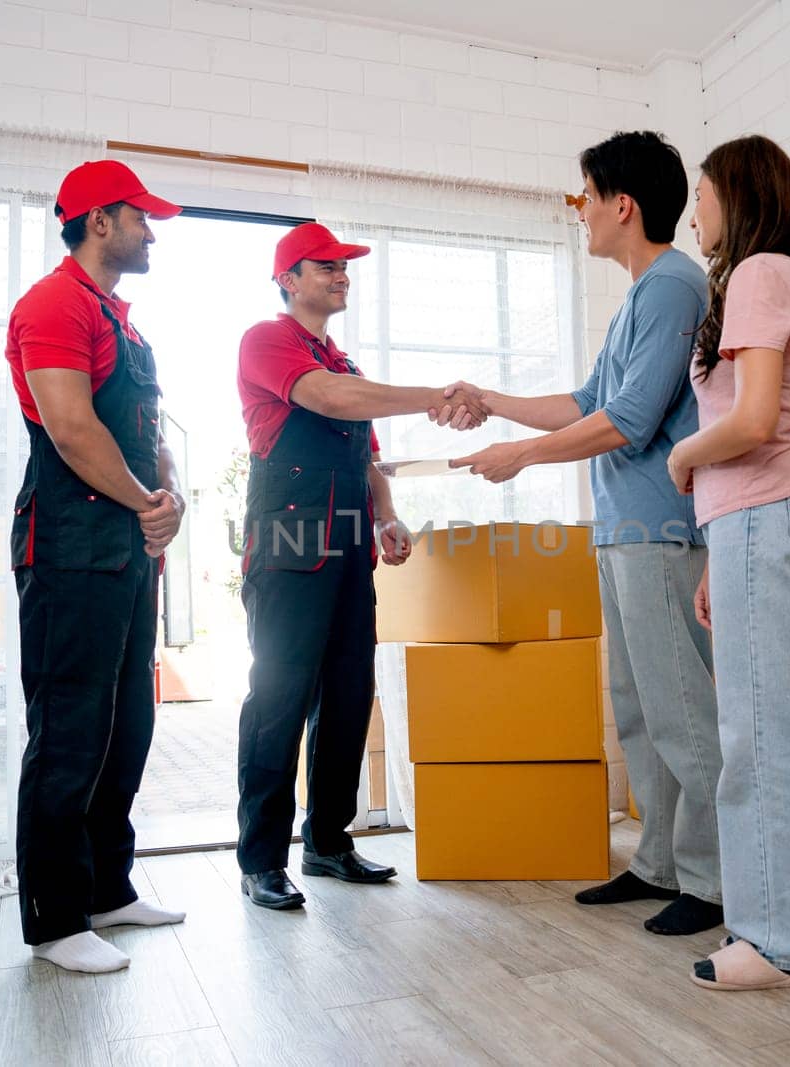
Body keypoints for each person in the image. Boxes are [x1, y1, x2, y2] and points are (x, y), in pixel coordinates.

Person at [443, 132, 724, 937]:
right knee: (638, 708)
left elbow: (629, 422)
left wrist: (520, 456)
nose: (583, 214)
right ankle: (663, 861)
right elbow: (583, 401)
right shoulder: (639, 296)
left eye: (586, 199)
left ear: (622, 204)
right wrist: (493, 401)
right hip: (624, 531)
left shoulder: (674, 287)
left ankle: (715, 878)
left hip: (662, 532)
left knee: (680, 710)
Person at [235, 222, 487, 909]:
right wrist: (435, 395)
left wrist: (386, 516)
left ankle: (328, 842)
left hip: (348, 548)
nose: (342, 275)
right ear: (290, 279)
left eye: (345, 267)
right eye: (327, 267)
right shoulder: (269, 341)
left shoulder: (343, 359)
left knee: (348, 695)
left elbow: (366, 454)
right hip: (288, 548)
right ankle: (261, 858)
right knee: (279, 700)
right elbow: (332, 402)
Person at [667, 135, 790, 990]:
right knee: (786, 729)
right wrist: (718, 558)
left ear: (734, 195)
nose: (693, 212)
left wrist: (682, 459)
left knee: (757, 731)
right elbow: (769, 424)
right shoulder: (775, 273)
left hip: (762, 513)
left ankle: (782, 941)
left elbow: (747, 425)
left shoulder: (756, 272)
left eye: (700, 195)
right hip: (761, 519)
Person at [5, 159, 188, 973]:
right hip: (70, 549)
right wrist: (148, 502)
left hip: (123, 551)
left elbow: (147, 430)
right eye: (141, 217)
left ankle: (108, 887)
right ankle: (54, 919)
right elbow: (72, 428)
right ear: (99, 220)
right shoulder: (51, 305)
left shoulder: (123, 321)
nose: (152, 231)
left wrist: (169, 493)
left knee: (126, 726)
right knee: (70, 730)